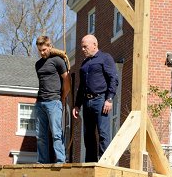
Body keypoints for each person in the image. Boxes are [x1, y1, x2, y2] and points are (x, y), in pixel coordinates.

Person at [73, 35, 118, 162]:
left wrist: (109, 99)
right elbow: (81, 86)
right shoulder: (84, 63)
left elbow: (113, 79)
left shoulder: (105, 58)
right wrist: (77, 105)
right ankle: (90, 164)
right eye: (81, 47)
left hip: (100, 100)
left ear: (94, 45)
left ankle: (105, 163)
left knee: (103, 133)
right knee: (88, 135)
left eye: (85, 46)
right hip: (87, 102)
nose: (82, 49)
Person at [35, 35, 70, 164]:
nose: (42, 52)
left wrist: (62, 96)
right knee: (40, 136)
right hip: (40, 102)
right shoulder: (38, 64)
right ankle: (42, 161)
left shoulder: (58, 61)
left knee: (56, 133)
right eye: (40, 50)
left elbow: (67, 81)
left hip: (54, 101)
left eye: (44, 49)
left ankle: (61, 160)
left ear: (50, 46)